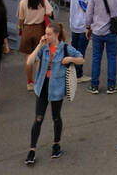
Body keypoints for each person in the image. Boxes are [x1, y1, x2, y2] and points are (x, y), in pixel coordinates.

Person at [25, 21, 83, 165]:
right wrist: (39, 45)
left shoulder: (65, 48)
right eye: (46, 33)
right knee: (38, 118)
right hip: (42, 87)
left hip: (57, 88)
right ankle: (32, 150)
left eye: (49, 34)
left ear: (56, 34)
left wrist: (70, 59)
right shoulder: (43, 48)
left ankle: (56, 145)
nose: (46, 36)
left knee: (56, 117)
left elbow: (81, 59)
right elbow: (30, 62)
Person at [18, 0, 54, 89]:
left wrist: (19, 28)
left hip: (27, 30)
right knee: (39, 58)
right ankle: (39, 81)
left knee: (29, 57)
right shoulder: (42, 0)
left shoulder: (23, 2)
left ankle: (29, 82)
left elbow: (21, 18)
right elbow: (50, 13)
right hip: (39, 29)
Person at [66, 0, 93, 80]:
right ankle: (78, 74)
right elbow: (89, 10)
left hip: (73, 24)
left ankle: (71, 71)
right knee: (81, 51)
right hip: (83, 25)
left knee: (74, 47)